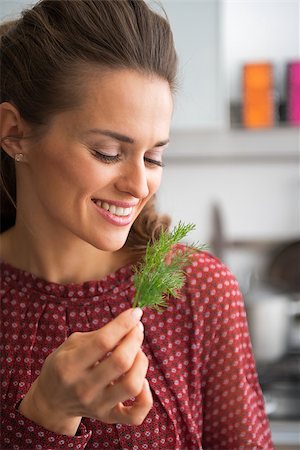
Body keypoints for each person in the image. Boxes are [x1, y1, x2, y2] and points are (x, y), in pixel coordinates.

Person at [0, 1, 274, 449]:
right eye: (108, 152)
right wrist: (47, 415)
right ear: (15, 133)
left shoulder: (199, 292)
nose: (138, 185)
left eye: (153, 157)